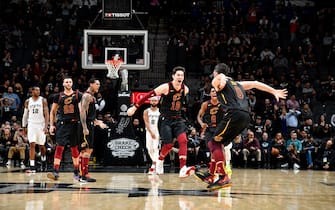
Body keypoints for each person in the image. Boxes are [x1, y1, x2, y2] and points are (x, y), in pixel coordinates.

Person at [195, 63, 288, 190]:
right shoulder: (237, 84)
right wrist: (273, 91)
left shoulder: (217, 79)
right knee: (219, 144)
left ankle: (223, 176)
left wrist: (219, 77)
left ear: (216, 72)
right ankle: (212, 173)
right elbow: (255, 83)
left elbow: (220, 79)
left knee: (213, 143)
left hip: (234, 114)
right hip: (245, 116)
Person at [127, 66, 195, 178]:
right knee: (168, 145)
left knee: (183, 141)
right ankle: (160, 159)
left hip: (178, 119)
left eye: (182, 75)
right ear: (173, 76)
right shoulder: (165, 87)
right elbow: (149, 95)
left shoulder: (185, 89)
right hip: (165, 119)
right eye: (178, 75)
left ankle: (183, 168)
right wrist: (135, 107)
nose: (180, 77)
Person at [47, 77, 82, 181]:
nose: (68, 83)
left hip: (74, 124)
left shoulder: (78, 95)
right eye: (66, 82)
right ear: (63, 84)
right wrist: (52, 125)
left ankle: (76, 171)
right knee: (59, 147)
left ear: (72, 83)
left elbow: (83, 110)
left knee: (74, 148)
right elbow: (52, 111)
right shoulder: (58, 96)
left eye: (70, 81)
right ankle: (55, 171)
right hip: (62, 124)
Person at [78, 78, 107, 182]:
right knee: (86, 150)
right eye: (97, 84)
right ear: (91, 84)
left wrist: (98, 122)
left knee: (88, 150)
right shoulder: (86, 96)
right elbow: (82, 112)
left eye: (99, 84)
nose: (98, 86)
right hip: (85, 126)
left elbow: (90, 114)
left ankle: (84, 174)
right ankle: (82, 175)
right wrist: (85, 127)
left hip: (90, 124)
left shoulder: (91, 97)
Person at [22, 86, 49, 172]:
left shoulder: (43, 100)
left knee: (41, 146)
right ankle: (32, 166)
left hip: (41, 124)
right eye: (36, 90)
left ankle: (44, 160)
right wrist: (24, 126)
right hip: (31, 124)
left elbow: (47, 114)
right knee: (32, 144)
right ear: (32, 91)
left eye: (39, 90)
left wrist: (46, 126)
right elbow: (25, 115)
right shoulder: (28, 101)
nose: (38, 91)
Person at [143, 96, 161, 174]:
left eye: (155, 101)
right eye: (152, 100)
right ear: (150, 101)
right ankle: (156, 163)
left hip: (157, 131)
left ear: (157, 102)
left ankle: (154, 165)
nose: (154, 102)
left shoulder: (160, 111)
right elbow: (146, 122)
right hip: (149, 131)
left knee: (155, 148)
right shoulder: (146, 111)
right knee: (149, 148)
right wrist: (151, 132)